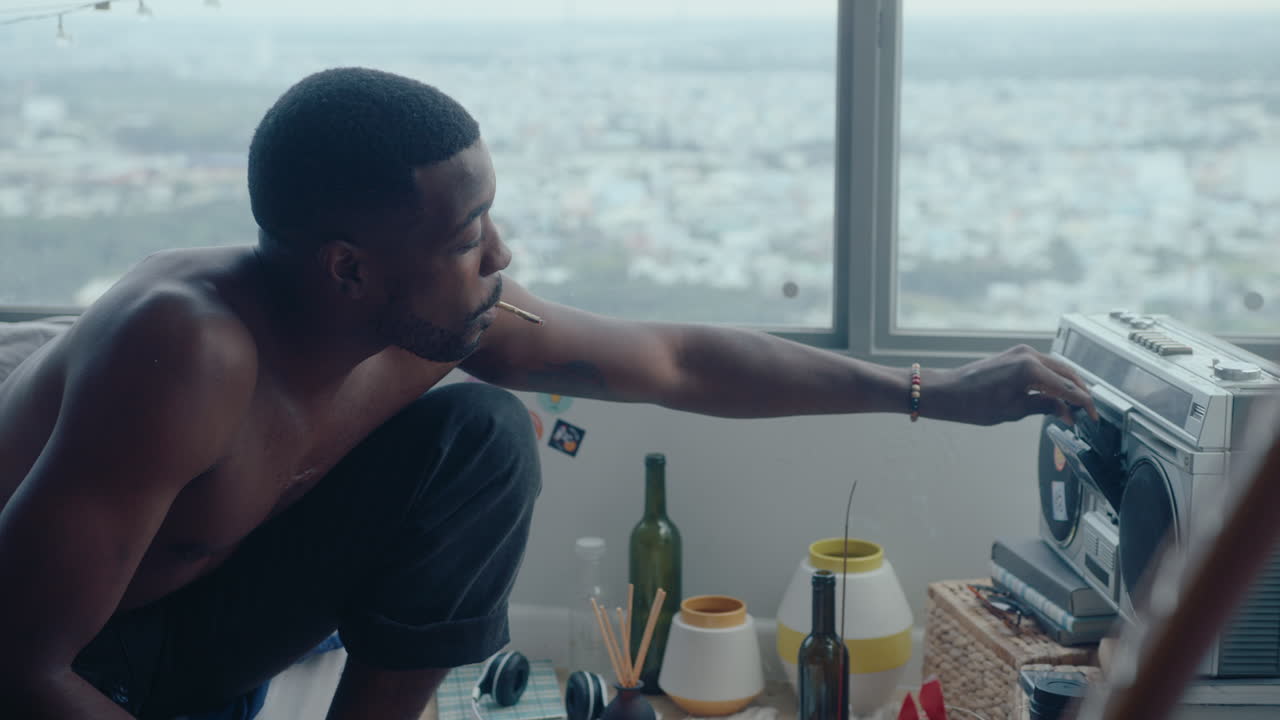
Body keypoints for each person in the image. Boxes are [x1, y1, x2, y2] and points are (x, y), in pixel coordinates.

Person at [0, 67, 1096, 720]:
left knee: (480, 436)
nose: (499, 254)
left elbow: (675, 361)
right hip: (66, 668)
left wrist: (929, 391)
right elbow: (20, 662)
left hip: (198, 644)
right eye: (467, 233)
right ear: (347, 267)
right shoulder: (185, 353)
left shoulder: (434, 326)